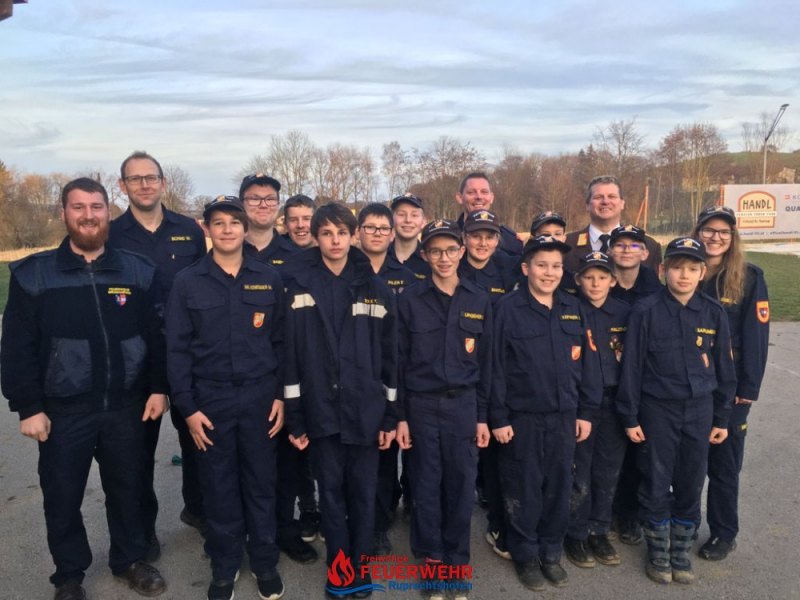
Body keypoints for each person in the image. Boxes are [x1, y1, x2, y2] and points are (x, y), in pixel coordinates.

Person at [1, 177, 168, 600]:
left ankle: (129, 560)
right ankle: (69, 576)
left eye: (96, 207)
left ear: (108, 212)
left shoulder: (136, 270)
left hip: (126, 406)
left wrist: (158, 388)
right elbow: (17, 346)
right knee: (62, 498)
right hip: (63, 412)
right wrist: (28, 407)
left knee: (128, 489)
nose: (88, 215)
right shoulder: (35, 274)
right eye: (78, 207)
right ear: (64, 213)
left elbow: (157, 335)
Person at [165, 196, 286, 600]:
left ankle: (264, 561)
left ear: (246, 228)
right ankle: (225, 564)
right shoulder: (188, 282)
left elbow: (282, 342)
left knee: (261, 483)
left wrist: (281, 396)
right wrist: (188, 408)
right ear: (207, 229)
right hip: (210, 400)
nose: (228, 229)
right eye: (219, 223)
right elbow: (176, 350)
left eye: (235, 222)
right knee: (218, 486)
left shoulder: (269, 278)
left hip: (259, 398)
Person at [283, 202, 398, 599]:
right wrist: (296, 419)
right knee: (331, 497)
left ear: (354, 236)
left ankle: (361, 568)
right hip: (321, 413)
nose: (335, 241)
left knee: (363, 496)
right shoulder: (297, 287)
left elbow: (390, 359)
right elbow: (290, 359)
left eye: (342, 233)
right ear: (315, 238)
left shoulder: (376, 289)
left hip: (365, 414)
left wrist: (389, 417)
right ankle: (339, 569)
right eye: (327, 233)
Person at [616, 237, 737, 585]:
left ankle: (680, 549)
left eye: (692, 269)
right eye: (677, 267)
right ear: (662, 270)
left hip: (699, 410)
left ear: (702, 273)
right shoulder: (646, 311)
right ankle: (658, 549)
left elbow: (724, 369)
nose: (683, 275)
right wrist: (629, 416)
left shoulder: (713, 313)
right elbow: (632, 368)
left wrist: (722, 417)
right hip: (657, 409)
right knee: (656, 478)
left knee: (691, 479)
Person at [110, 150, 208, 557]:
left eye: (151, 177)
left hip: (188, 354)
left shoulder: (188, 230)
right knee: (137, 453)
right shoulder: (112, 234)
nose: (144, 185)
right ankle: (142, 530)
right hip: (136, 359)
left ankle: (199, 509)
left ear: (163, 183)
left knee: (199, 441)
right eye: (135, 179)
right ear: (123, 186)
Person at [490, 236, 601, 592]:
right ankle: (525, 554)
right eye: (541, 265)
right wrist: (498, 418)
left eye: (556, 266)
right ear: (526, 269)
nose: (549, 273)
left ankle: (551, 552)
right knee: (523, 488)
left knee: (558, 486)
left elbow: (587, 365)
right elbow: (495, 368)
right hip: (522, 418)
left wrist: (585, 412)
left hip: (565, 417)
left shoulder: (573, 307)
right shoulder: (507, 309)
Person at [395, 219, 492, 600]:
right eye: (435, 251)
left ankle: (457, 562)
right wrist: (401, 417)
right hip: (421, 406)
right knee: (425, 486)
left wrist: (482, 417)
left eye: (451, 250)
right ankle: (433, 562)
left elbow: (487, 366)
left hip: (463, 407)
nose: (444, 258)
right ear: (424, 255)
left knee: (461, 487)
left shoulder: (479, 299)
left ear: (462, 251)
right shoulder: (409, 300)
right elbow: (398, 363)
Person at [692, 205, 769, 561]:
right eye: (709, 230)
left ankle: (724, 532)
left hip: (730, 387)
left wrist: (748, 389)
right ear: (698, 232)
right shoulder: (687, 269)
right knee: (690, 460)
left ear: (733, 237)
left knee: (724, 465)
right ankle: (686, 522)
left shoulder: (749, 278)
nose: (715, 237)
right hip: (691, 385)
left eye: (723, 231)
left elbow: (756, 336)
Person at [564, 252, 630, 569]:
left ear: (613, 281)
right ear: (578, 280)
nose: (595, 283)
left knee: (608, 470)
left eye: (602, 277)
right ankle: (575, 532)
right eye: (588, 277)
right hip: (580, 403)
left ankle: (599, 530)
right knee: (580, 470)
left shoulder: (625, 313)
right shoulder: (568, 310)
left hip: (614, 401)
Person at [357, 203, 416, 556]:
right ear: (358, 232)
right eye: (370, 227)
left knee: (386, 453)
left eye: (383, 229)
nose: (377, 234)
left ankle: (381, 521)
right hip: (356, 379)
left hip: (394, 375)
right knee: (360, 458)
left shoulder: (407, 278)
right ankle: (362, 520)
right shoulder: (346, 273)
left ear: (392, 234)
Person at [456, 209, 515, 560]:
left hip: (498, 370)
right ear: (464, 238)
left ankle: (497, 519)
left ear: (497, 240)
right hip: (460, 371)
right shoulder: (453, 268)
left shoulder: (508, 272)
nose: (482, 242)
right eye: (475, 235)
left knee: (494, 454)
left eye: (489, 236)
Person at [605, 224, 661, 545]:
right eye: (620, 245)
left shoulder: (656, 289)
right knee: (607, 454)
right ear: (609, 250)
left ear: (645, 252)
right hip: (607, 381)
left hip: (643, 383)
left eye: (634, 245)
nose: (626, 250)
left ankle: (630, 515)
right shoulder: (600, 283)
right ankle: (604, 513)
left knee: (638, 455)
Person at [564, 175, 661, 273]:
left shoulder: (650, 246)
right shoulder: (567, 245)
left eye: (612, 196)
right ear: (587, 205)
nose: (605, 201)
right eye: (598, 197)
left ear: (622, 204)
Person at [455, 172, 523, 256]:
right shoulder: (448, 236)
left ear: (491, 198)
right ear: (460, 197)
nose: (479, 197)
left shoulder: (510, 241)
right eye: (471, 192)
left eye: (484, 192)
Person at [239, 173, 297, 269]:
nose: (263, 205)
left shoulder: (297, 256)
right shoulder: (227, 254)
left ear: (278, 204)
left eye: (270, 199)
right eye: (254, 199)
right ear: (241, 204)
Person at [529, 211, 577, 295]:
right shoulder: (521, 270)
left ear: (564, 238)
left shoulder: (572, 272)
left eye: (557, 234)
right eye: (546, 234)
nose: (552, 238)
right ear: (533, 238)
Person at [388, 192, 431, 281]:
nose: (408, 220)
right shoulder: (380, 257)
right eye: (401, 214)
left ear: (424, 222)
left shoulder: (431, 260)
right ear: (391, 220)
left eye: (414, 215)